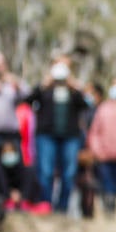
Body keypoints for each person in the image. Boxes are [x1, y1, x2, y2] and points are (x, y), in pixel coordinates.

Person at [24, 56, 90, 214]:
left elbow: (87, 105)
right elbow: (27, 101)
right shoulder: (45, 88)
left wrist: (76, 87)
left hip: (70, 137)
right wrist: (42, 85)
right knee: (45, 172)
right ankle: (45, 205)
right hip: (46, 136)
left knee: (69, 173)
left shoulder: (74, 90)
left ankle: (62, 208)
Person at [87, 76, 116, 216]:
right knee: (107, 188)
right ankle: (110, 215)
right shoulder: (103, 108)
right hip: (104, 157)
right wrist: (97, 151)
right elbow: (94, 132)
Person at [0, 138, 48, 213]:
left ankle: (24, 203)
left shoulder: (24, 169)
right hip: (2, 197)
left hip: (21, 196)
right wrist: (9, 194)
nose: (8, 154)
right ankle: (8, 202)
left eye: (11, 151)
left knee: (30, 170)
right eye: (5, 152)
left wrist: (20, 196)